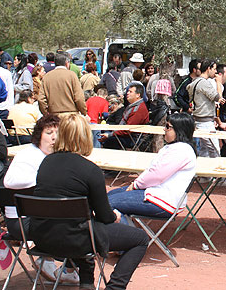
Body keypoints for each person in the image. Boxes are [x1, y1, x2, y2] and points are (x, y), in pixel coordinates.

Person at [31, 114, 149, 290]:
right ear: (86, 136)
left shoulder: (46, 163)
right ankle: (115, 287)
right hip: (76, 239)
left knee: (83, 226)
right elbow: (104, 216)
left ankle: (86, 283)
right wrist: (114, 216)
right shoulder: (90, 170)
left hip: (42, 237)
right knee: (139, 238)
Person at [2, 114, 78, 283]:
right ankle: (68, 268)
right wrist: (43, 181)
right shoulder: (28, 155)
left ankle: (54, 263)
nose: (53, 138)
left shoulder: (52, 158)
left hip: (35, 221)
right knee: (79, 225)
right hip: (23, 223)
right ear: (39, 136)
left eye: (57, 133)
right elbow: (9, 181)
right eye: (49, 132)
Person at [108, 113, 197, 218]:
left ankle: (124, 234)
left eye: (168, 127)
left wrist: (136, 185)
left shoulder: (181, 150)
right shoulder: (173, 147)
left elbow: (157, 175)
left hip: (163, 200)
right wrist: (136, 185)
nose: (164, 129)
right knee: (107, 197)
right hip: (154, 193)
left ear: (179, 130)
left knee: (107, 205)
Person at [187, 59, 225, 158]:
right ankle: (215, 172)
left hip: (197, 119)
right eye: (214, 69)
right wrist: (218, 83)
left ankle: (204, 172)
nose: (216, 72)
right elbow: (218, 98)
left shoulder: (195, 81)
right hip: (206, 122)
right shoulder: (204, 83)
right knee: (215, 151)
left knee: (204, 150)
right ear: (209, 68)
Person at [100, 84, 149, 150]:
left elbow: (128, 129)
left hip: (133, 138)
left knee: (109, 141)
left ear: (138, 95)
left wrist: (110, 135)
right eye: (128, 91)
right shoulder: (133, 106)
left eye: (130, 92)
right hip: (126, 134)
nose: (127, 93)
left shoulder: (139, 109)